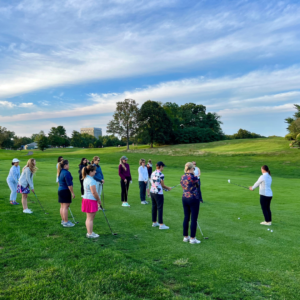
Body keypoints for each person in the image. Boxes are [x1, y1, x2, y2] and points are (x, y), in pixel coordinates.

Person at [180, 162, 201, 244]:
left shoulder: (182, 177)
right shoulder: (193, 177)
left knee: (186, 217)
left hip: (184, 197)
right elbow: (197, 185)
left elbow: (182, 185)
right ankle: (192, 238)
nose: (194, 170)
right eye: (193, 169)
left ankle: (185, 237)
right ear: (191, 169)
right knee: (193, 219)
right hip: (193, 198)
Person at [81, 165, 102, 238]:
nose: (95, 172)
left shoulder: (86, 178)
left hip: (87, 199)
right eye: (94, 171)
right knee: (90, 218)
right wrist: (99, 200)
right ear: (90, 172)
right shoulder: (91, 180)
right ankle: (90, 233)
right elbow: (94, 192)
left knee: (89, 218)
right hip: (90, 200)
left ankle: (89, 232)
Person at [150, 161, 171, 229]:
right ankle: (161, 224)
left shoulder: (153, 173)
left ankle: (154, 222)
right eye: (163, 166)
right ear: (161, 166)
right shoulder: (161, 174)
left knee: (154, 207)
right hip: (158, 193)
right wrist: (168, 188)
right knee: (160, 208)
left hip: (152, 192)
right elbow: (162, 185)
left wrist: (164, 189)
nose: (163, 168)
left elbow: (155, 183)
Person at [57, 160, 75, 227]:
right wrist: (72, 193)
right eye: (68, 165)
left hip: (60, 190)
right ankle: (66, 222)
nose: (68, 166)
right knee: (65, 207)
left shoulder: (60, 172)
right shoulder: (66, 173)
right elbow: (69, 184)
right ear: (65, 165)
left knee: (62, 206)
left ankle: (63, 220)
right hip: (65, 190)